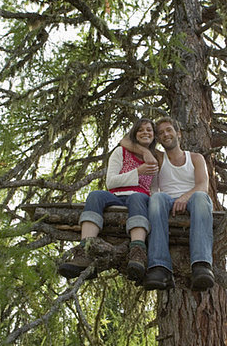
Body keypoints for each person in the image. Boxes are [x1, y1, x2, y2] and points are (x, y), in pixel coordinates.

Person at [58, 118, 159, 281]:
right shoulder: (121, 152)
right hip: (116, 196)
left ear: (154, 136)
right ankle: (85, 250)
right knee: (95, 195)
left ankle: (138, 253)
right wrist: (138, 172)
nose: (145, 133)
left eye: (149, 130)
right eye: (140, 130)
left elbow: (154, 189)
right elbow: (111, 181)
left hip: (140, 200)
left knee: (137, 197)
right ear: (134, 133)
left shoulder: (155, 161)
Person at [120, 117, 215, 291]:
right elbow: (124, 141)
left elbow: (202, 185)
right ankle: (160, 267)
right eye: (161, 133)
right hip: (166, 202)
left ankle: (201, 265)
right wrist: (146, 151)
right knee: (156, 198)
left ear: (178, 133)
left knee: (201, 198)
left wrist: (184, 198)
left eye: (169, 130)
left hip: (193, 200)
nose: (166, 134)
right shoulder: (159, 157)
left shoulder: (195, 158)